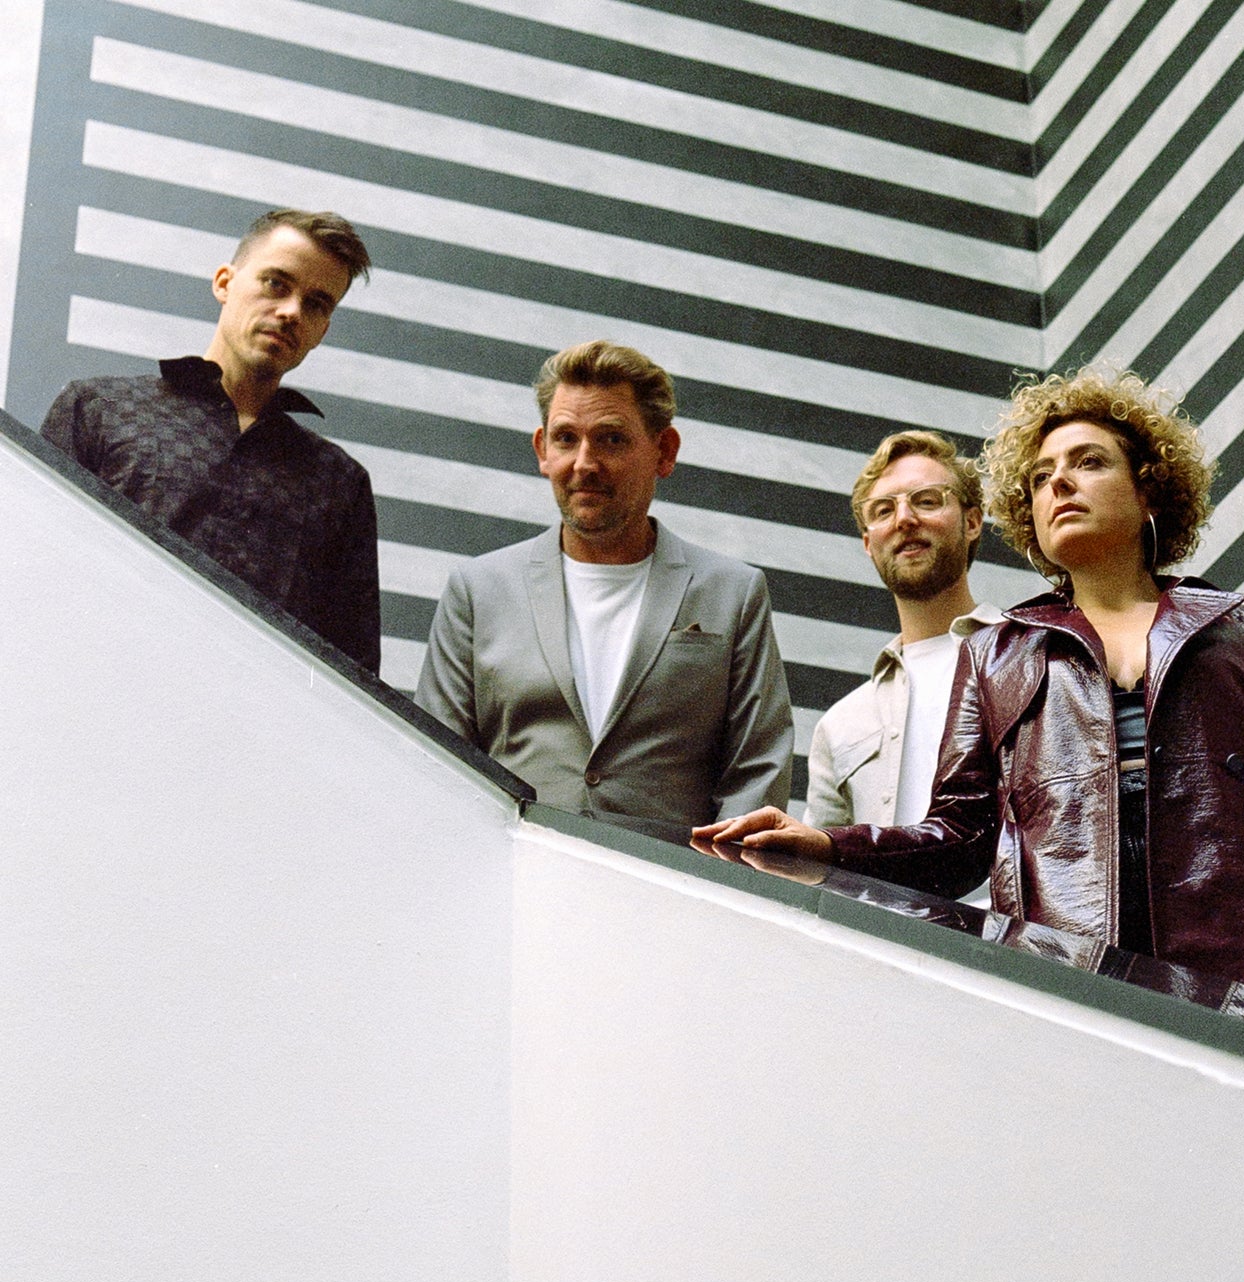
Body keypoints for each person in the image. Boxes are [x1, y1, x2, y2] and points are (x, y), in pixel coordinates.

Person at [700, 365, 1244, 1017]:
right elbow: (960, 834)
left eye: (1088, 462)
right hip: (1069, 973)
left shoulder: (1239, 629)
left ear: (1148, 490)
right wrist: (829, 845)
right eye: (1040, 476)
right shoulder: (997, 653)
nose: (1060, 482)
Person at [415, 341, 792, 829]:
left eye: (611, 439)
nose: (584, 463)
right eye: (566, 439)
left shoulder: (733, 593)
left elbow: (757, 773)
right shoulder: (477, 591)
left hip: (668, 875)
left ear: (664, 451)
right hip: (511, 870)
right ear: (542, 450)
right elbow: (437, 763)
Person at [43, 208, 381, 670]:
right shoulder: (99, 409)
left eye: (317, 304)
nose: (291, 312)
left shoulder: (339, 482)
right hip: (93, 687)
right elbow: (33, 574)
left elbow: (352, 675)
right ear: (225, 283)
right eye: (276, 283)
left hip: (251, 712)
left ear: (322, 330)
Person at [804, 431, 1002, 826]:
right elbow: (815, 861)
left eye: (927, 500)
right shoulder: (840, 726)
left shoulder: (1033, 657)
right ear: (868, 543)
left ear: (972, 522)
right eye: (882, 510)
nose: (904, 519)